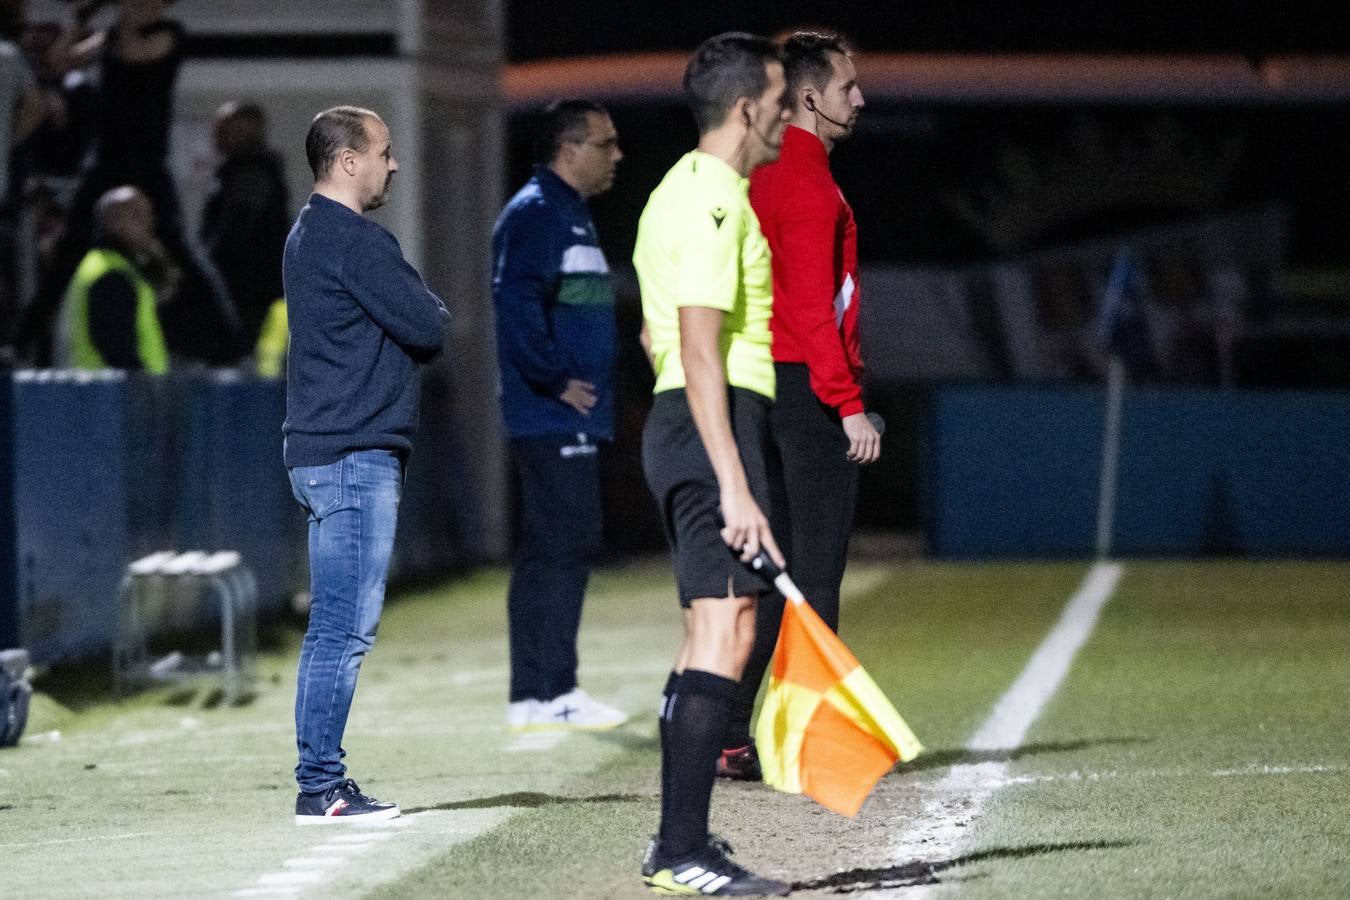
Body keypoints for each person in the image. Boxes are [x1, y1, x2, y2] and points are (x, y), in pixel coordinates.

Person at [633, 32, 792, 896]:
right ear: (745, 109)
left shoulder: (684, 192)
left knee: (712, 634)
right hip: (710, 427)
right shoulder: (714, 199)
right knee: (726, 635)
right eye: (776, 101)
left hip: (698, 424)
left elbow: (658, 332)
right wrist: (735, 483)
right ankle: (681, 849)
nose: (784, 115)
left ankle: (680, 843)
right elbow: (695, 349)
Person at [718, 31, 878, 782]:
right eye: (848, 86)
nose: (860, 98)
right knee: (817, 573)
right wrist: (847, 405)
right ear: (810, 97)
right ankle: (814, 747)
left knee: (774, 573)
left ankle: (725, 731)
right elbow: (815, 311)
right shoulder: (811, 183)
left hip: (756, 387)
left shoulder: (758, 175)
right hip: (807, 391)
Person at [283, 106, 449, 824]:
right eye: (384, 151)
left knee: (336, 626)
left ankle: (321, 780)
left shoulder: (306, 234)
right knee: (342, 629)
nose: (394, 163)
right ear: (348, 161)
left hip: (326, 450)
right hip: (351, 455)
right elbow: (429, 324)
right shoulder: (357, 241)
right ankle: (321, 785)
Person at [491, 98, 628, 733]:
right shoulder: (539, 213)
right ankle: (553, 689)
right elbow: (516, 304)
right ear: (569, 149)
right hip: (550, 414)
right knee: (565, 542)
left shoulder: (566, 212)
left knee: (554, 545)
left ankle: (537, 692)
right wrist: (555, 378)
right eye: (606, 143)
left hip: (563, 413)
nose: (617, 155)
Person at [15, 0, 242, 367]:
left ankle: (228, 343)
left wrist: (116, 17)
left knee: (175, 245)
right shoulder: (112, 34)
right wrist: (80, 18)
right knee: (69, 252)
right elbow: (60, 62)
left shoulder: (167, 34)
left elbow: (132, 50)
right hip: (104, 161)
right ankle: (22, 345)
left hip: (145, 164)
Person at [200, 101, 291, 355]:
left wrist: (208, 269)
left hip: (248, 292)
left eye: (226, 128)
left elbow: (234, 234)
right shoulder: (241, 173)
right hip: (255, 289)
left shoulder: (250, 175)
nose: (217, 135)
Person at [54, 184, 169, 371]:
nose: (149, 224)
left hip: (96, 394)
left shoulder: (101, 266)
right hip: (113, 396)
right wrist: (145, 392)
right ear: (115, 222)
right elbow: (117, 350)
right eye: (137, 216)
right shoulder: (112, 275)